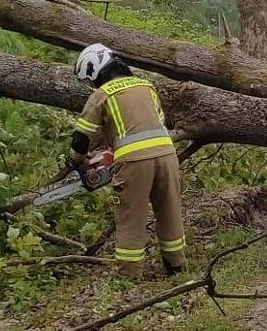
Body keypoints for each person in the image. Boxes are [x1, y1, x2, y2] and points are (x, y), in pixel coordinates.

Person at [70, 44, 186, 278]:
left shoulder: (102, 95)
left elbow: (82, 137)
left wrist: (75, 160)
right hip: (167, 155)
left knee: (131, 217)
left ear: (94, 71)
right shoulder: (146, 86)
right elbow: (145, 123)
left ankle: (129, 275)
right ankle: (176, 266)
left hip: (134, 163)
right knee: (170, 210)